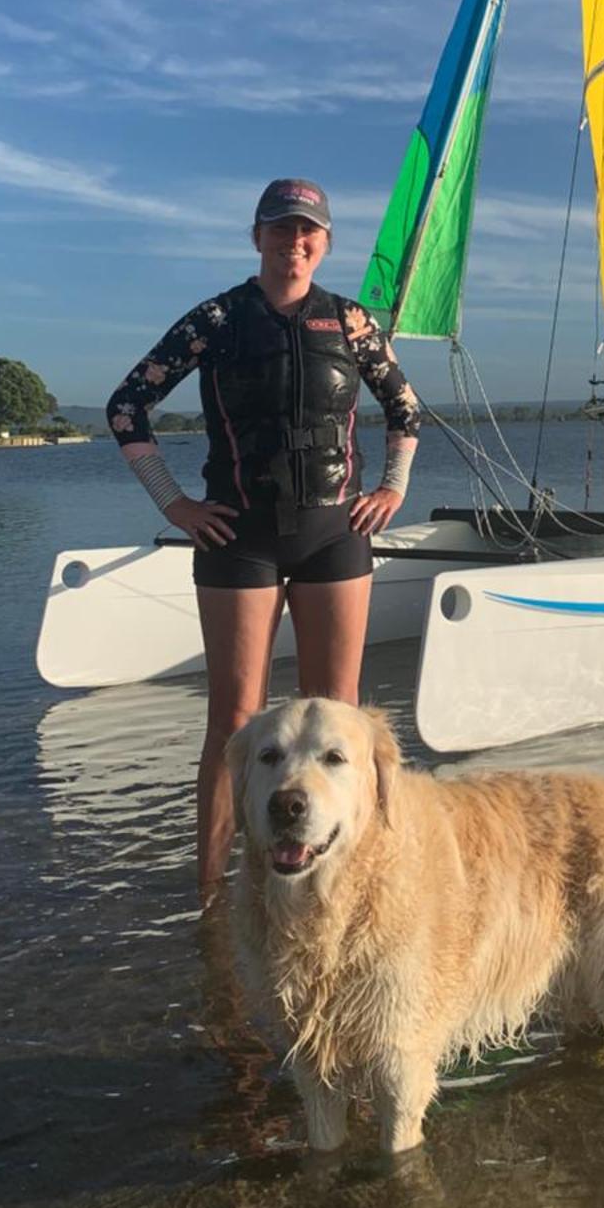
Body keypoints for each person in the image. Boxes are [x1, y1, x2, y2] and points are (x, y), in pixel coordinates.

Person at [105, 178, 422, 899]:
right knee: (235, 722)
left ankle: (343, 884)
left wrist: (393, 490)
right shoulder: (216, 320)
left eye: (309, 231)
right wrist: (176, 504)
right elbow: (127, 406)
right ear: (258, 238)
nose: (295, 242)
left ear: (325, 243)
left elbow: (404, 411)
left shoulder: (349, 323)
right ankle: (214, 891)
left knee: (338, 720)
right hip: (237, 537)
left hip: (332, 538)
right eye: (281, 230)